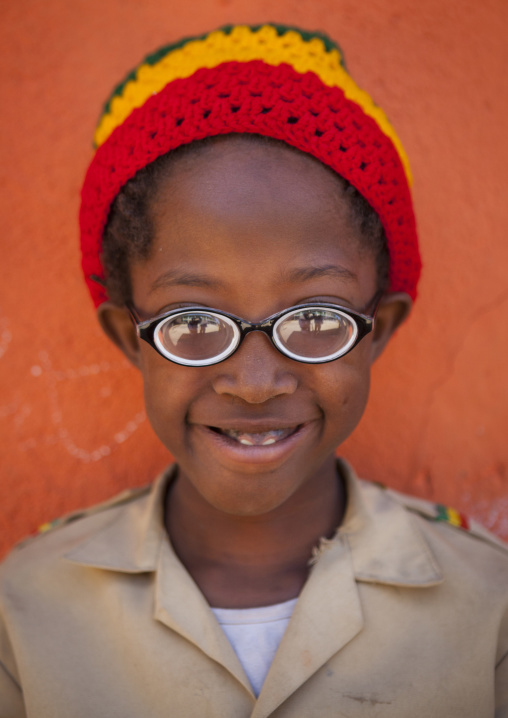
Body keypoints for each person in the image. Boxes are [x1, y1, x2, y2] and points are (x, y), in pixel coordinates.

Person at [0, 24, 506, 718]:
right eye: (196, 325)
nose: (256, 381)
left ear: (377, 329)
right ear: (130, 337)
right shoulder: (24, 610)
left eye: (317, 319)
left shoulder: (489, 609)